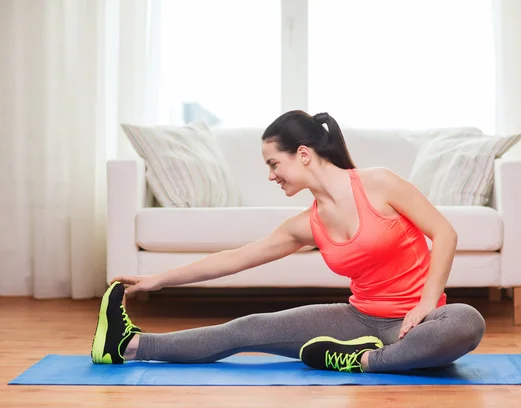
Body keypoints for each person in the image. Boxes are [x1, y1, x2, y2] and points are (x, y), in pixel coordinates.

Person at [90, 110, 485, 373]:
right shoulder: (306, 224)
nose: (271, 175)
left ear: (303, 154)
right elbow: (238, 258)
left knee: (467, 321)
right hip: (359, 319)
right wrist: (157, 280)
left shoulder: (378, 183)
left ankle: (361, 361)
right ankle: (128, 345)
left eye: (273, 164)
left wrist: (426, 303)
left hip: (421, 322)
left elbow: (444, 232)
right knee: (247, 329)